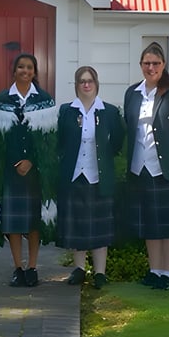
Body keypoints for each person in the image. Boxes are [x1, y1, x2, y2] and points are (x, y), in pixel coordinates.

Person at [123, 42, 169, 291]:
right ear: (140, 65)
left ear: (163, 65)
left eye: (156, 63)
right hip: (140, 167)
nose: (151, 67)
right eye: (146, 63)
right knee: (150, 224)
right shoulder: (132, 93)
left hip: (168, 169)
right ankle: (154, 270)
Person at [0, 53, 58, 287]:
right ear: (14, 70)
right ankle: (18, 267)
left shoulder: (45, 99)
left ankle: (33, 268)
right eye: (21, 67)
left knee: (33, 221)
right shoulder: (2, 100)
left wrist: (31, 161)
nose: (25, 71)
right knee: (13, 223)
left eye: (29, 67)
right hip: (10, 171)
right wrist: (14, 163)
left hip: (36, 172)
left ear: (35, 72)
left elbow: (49, 142)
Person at [56, 66, 124, 289]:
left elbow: (117, 141)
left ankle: (100, 273)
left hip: (99, 176)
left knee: (99, 227)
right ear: (76, 85)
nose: (86, 84)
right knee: (77, 224)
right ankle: (78, 269)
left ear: (96, 83)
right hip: (74, 176)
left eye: (90, 81)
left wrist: (104, 158)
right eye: (82, 81)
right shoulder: (67, 111)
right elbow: (61, 142)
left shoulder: (110, 112)